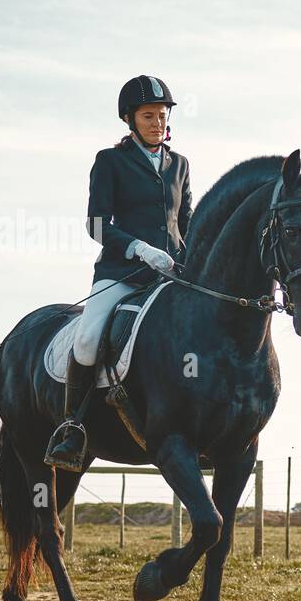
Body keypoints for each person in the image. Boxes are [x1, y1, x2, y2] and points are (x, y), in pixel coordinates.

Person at [44, 74, 193, 471]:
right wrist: (139, 248)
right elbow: (96, 224)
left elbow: (187, 220)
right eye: (148, 116)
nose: (157, 122)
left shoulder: (180, 165)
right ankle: (72, 427)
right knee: (89, 337)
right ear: (130, 119)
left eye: (162, 115)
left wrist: (191, 258)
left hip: (172, 275)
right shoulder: (110, 162)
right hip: (122, 272)